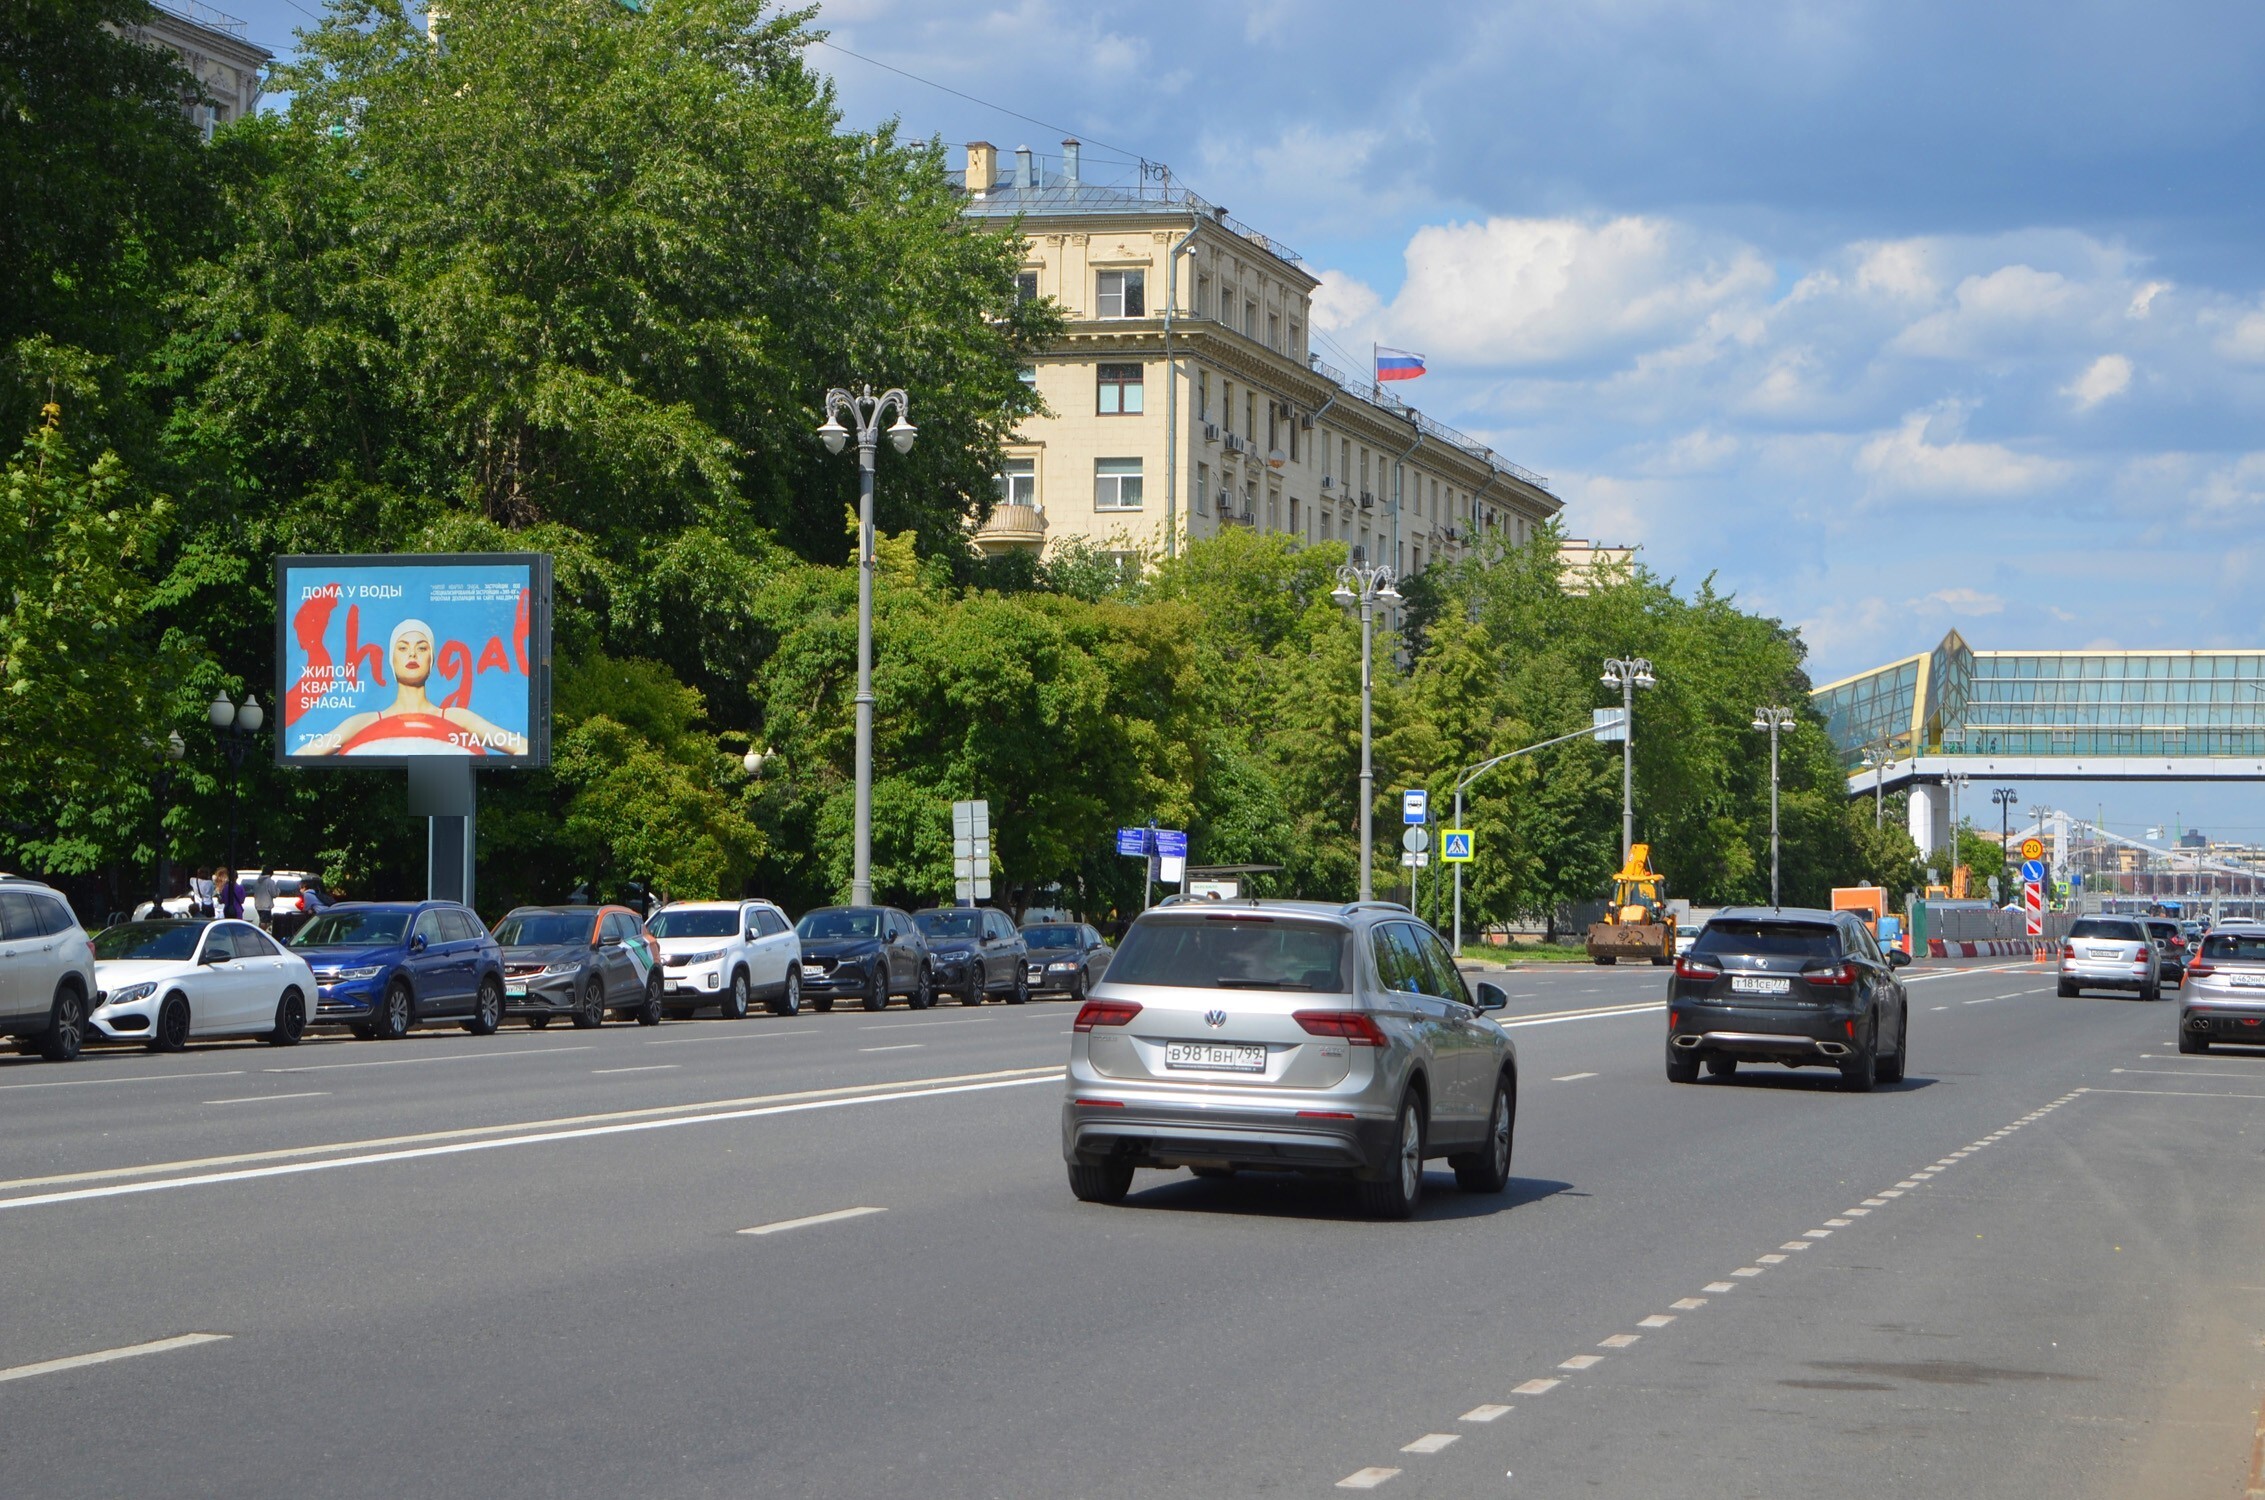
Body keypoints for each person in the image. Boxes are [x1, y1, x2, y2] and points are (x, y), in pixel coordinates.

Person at [299, 618, 530, 757]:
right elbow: (305, 753)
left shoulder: (457, 718)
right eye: (402, 648)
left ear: (432, 659)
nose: (412, 654)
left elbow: (523, 747)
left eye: (421, 648)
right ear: (392, 660)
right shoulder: (365, 722)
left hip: (445, 796)